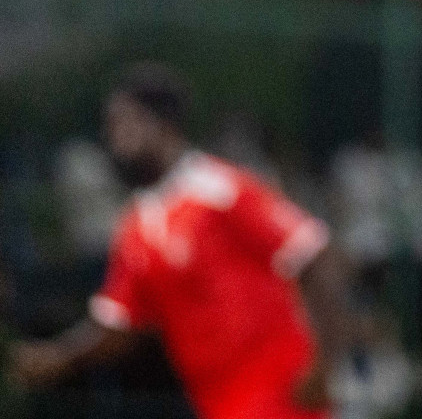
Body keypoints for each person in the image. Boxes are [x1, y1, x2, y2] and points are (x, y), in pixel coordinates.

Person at [6, 63, 349, 419]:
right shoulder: (135, 226)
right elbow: (118, 326)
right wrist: (56, 357)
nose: (115, 139)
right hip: (217, 404)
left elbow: (316, 255)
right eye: (110, 127)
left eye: (125, 123)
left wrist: (326, 366)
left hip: (282, 394)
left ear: (163, 123)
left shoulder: (220, 189)